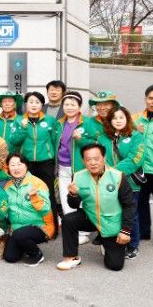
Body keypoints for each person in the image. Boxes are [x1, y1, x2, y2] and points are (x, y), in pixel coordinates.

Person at [57, 144, 135, 271]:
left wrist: (125, 231)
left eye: (96, 158)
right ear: (83, 161)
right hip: (91, 217)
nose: (93, 163)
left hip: (111, 222)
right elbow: (73, 205)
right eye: (88, 159)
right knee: (68, 220)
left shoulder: (118, 176)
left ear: (104, 158)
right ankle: (71, 257)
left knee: (115, 265)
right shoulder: (78, 176)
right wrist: (73, 194)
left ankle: (106, 242)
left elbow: (129, 205)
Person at [101, 106, 145, 259]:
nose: (118, 121)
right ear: (109, 120)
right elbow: (100, 157)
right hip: (108, 183)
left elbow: (136, 158)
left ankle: (133, 245)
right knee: (112, 212)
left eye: (121, 117)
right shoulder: (103, 137)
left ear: (127, 119)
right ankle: (113, 241)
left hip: (129, 182)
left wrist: (113, 172)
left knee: (131, 214)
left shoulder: (136, 136)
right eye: (114, 118)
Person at [53, 92, 94, 244]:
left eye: (73, 104)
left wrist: (81, 139)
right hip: (62, 167)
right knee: (65, 198)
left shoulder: (87, 122)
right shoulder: (59, 123)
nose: (69, 107)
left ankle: (83, 231)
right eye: (66, 104)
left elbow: (95, 143)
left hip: (80, 168)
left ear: (79, 106)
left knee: (81, 198)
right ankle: (72, 229)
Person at [2, 154, 55, 266]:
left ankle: (36, 255)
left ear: (26, 166)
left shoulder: (37, 183)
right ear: (8, 168)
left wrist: (34, 197)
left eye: (19, 164)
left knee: (20, 234)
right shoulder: (7, 186)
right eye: (12, 165)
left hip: (39, 226)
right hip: (17, 228)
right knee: (10, 257)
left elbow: (46, 209)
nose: (16, 168)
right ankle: (24, 245)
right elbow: (5, 209)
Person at [133, 84, 153, 250]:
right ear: (145, 99)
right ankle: (143, 231)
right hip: (140, 170)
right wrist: (134, 130)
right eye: (151, 98)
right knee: (140, 202)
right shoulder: (136, 118)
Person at [9, 92, 57, 196]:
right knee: (26, 192)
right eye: (31, 102)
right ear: (26, 104)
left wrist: (54, 159)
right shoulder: (18, 120)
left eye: (37, 102)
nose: (34, 105)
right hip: (25, 162)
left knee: (48, 191)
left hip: (46, 163)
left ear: (42, 105)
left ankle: (50, 208)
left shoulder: (50, 120)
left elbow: (54, 141)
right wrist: (23, 128)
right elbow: (14, 141)